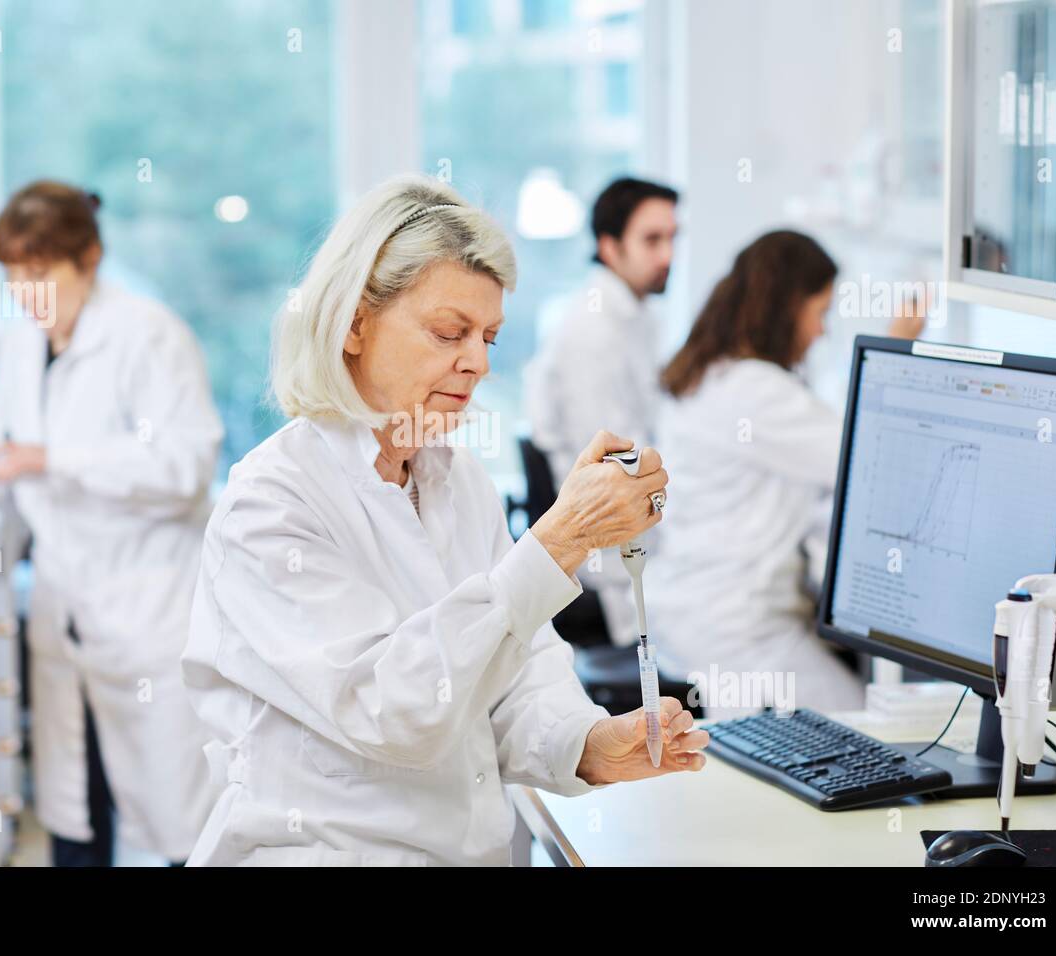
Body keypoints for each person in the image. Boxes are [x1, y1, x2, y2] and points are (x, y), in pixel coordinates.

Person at [181, 175, 709, 866]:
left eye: (489, 336)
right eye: (449, 332)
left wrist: (584, 745)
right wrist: (559, 540)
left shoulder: (457, 481)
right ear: (354, 323)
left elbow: (514, 677)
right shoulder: (272, 505)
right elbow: (393, 710)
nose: (480, 363)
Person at [0, 180, 224, 866]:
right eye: (14, 277)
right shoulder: (24, 343)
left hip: (149, 613)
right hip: (67, 613)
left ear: (88, 258)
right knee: (74, 816)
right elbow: (4, 439)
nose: (27, 293)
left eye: (40, 274)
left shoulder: (149, 335)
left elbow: (185, 466)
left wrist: (56, 459)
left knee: (182, 827)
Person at [646, 230, 923, 717]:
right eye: (820, 313)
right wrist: (895, 348)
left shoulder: (711, 371)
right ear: (787, 307)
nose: (820, 331)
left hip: (692, 605)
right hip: (738, 626)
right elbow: (863, 453)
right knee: (864, 728)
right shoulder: (754, 391)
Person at [524, 177, 679, 646]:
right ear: (609, 246)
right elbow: (615, 474)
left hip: (641, 541)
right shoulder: (593, 332)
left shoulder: (638, 317)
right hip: (608, 566)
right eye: (652, 240)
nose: (667, 255)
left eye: (673, 238)